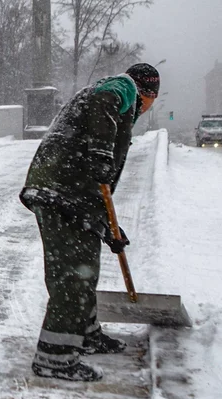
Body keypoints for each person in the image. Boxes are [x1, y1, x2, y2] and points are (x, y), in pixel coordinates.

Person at [19, 63, 160, 382]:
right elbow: (102, 104)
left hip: (70, 194)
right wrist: (100, 153)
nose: (148, 107)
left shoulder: (117, 101)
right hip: (61, 191)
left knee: (84, 267)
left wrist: (110, 229)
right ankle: (54, 357)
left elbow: (98, 186)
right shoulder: (122, 89)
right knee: (72, 275)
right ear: (147, 94)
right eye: (151, 100)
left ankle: (85, 335)